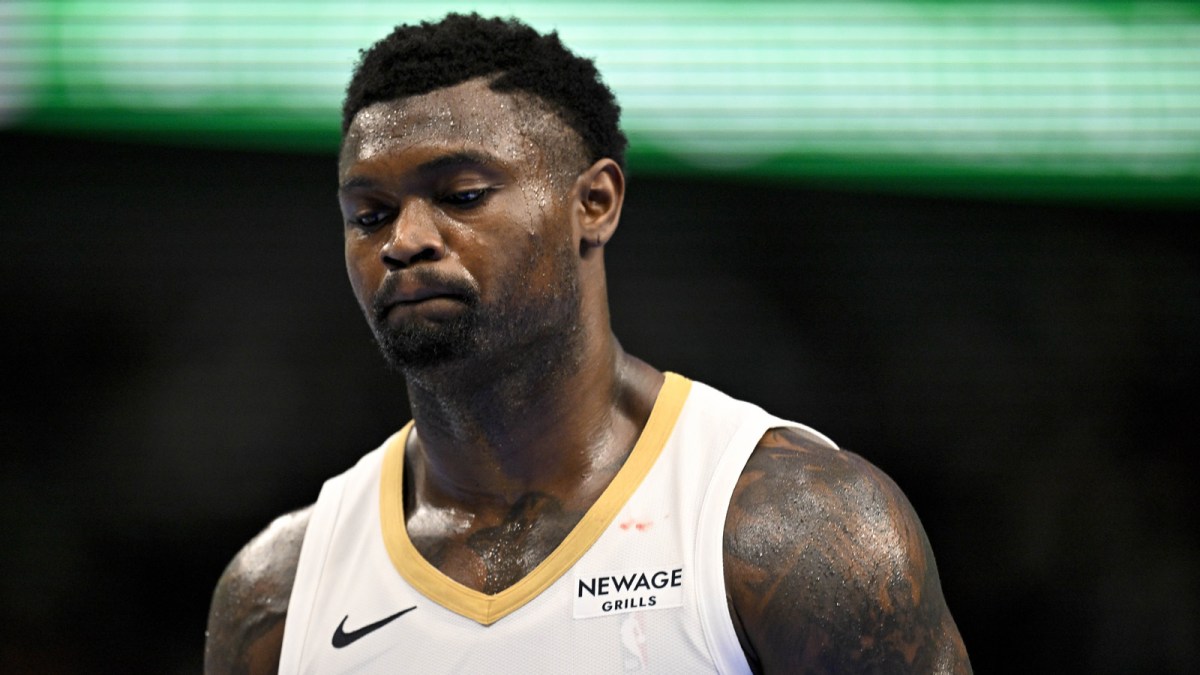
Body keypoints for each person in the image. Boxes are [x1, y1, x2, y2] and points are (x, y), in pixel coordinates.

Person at [205, 13, 970, 674]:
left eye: (461, 196)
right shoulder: (279, 591)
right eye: (369, 213)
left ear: (594, 203)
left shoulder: (793, 530)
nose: (406, 241)